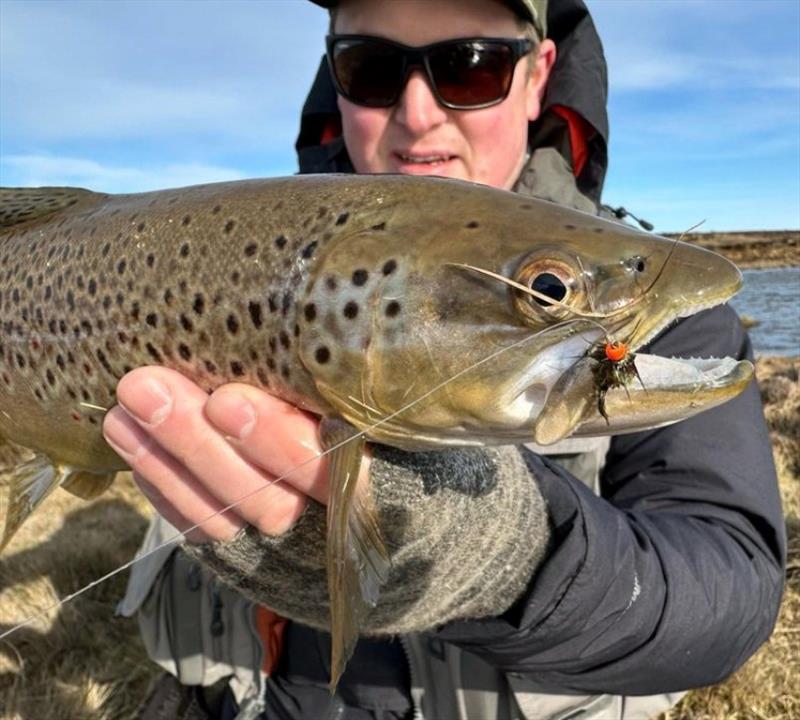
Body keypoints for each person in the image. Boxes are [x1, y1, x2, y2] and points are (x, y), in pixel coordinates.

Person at [110, 1, 786, 718]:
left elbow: (729, 590)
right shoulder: (231, 256)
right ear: (332, 75)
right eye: (369, 68)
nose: (418, 112)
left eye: (472, 68)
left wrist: (512, 558)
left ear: (537, 76)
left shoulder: (655, 315)